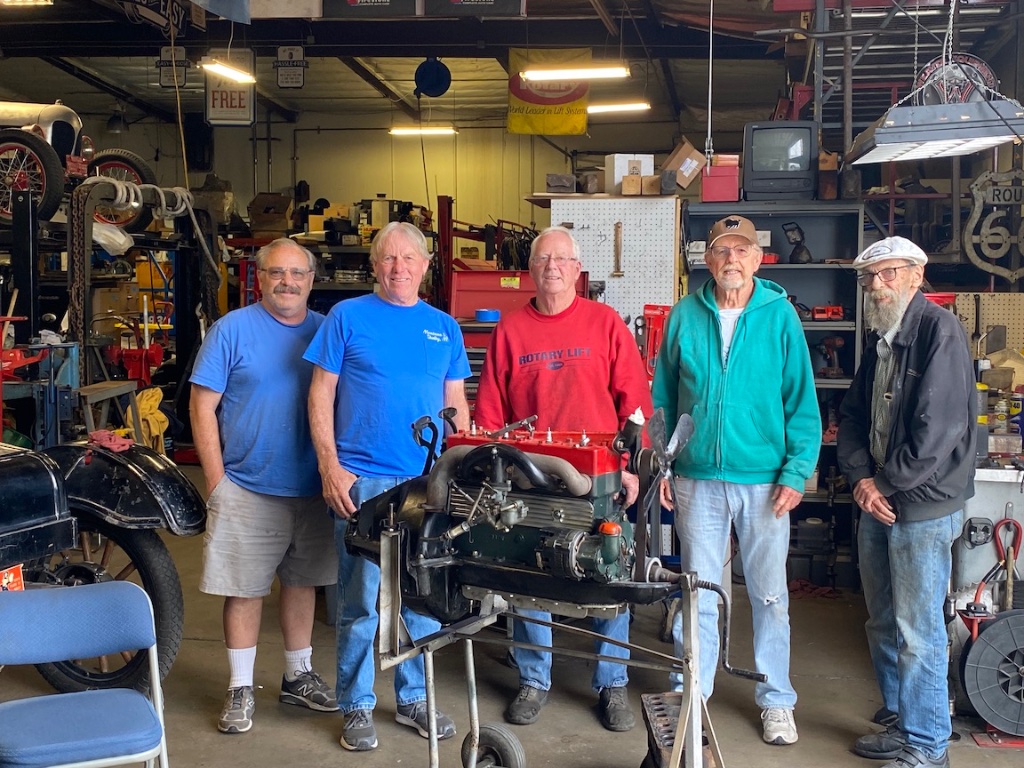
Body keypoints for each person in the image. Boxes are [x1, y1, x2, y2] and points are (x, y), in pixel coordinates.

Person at [474, 225, 653, 733]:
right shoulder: (510, 331)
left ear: (577, 270)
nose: (551, 267)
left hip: (599, 475)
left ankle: (611, 681)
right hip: (531, 476)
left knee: (609, 569)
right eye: (542, 260)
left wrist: (630, 467)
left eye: (561, 260)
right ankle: (534, 679)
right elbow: (490, 412)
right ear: (530, 270)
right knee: (529, 571)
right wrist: (494, 472)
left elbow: (635, 402)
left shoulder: (605, 323)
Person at [651, 214, 820, 746]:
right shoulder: (684, 315)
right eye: (722, 250)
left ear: (758, 259)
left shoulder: (779, 316)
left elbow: (801, 401)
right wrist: (665, 462)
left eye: (741, 250)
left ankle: (776, 700)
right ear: (707, 260)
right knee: (698, 591)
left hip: (764, 481)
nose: (731, 259)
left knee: (769, 595)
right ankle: (691, 693)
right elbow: (663, 398)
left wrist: (796, 471)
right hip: (696, 477)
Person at [304, 221, 471, 752]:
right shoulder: (347, 317)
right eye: (389, 258)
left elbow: (455, 405)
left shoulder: (444, 327)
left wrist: (458, 470)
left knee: (421, 594)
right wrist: (330, 466)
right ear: (375, 266)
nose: (399, 268)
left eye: (409, 258)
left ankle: (414, 697)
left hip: (427, 481)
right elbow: (319, 394)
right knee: (360, 598)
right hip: (363, 479)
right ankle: (355, 703)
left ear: (425, 266)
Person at [191, 238, 338, 735]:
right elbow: (201, 406)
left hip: (313, 489)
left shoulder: (326, 330)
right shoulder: (231, 330)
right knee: (245, 590)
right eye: (277, 272)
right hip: (248, 486)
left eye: (297, 273)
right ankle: (239, 686)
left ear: (311, 280)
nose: (287, 282)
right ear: (260, 278)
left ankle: (298, 675)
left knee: (302, 583)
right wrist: (216, 481)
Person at [838, 237, 975, 768]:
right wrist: (860, 477)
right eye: (868, 277)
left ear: (917, 275)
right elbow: (852, 416)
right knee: (882, 621)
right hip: (879, 498)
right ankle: (903, 720)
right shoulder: (881, 339)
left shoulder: (941, 332)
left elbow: (938, 429)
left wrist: (882, 483)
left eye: (888, 273)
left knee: (918, 631)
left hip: (921, 506)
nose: (876, 285)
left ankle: (928, 745)